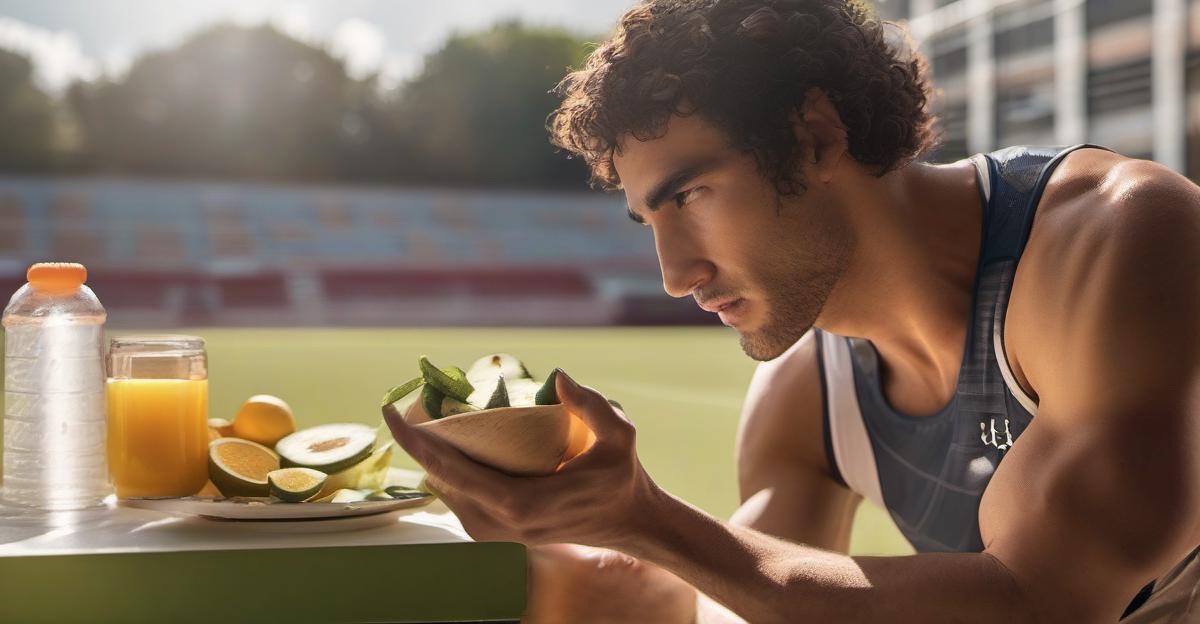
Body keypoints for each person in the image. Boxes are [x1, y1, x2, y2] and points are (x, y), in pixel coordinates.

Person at [384, 0, 1200, 621]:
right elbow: (746, 592)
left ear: (814, 135)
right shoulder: (807, 392)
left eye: (692, 195)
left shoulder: (1121, 241)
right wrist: (581, 552)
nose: (675, 274)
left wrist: (648, 523)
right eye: (652, 222)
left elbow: (1039, 600)